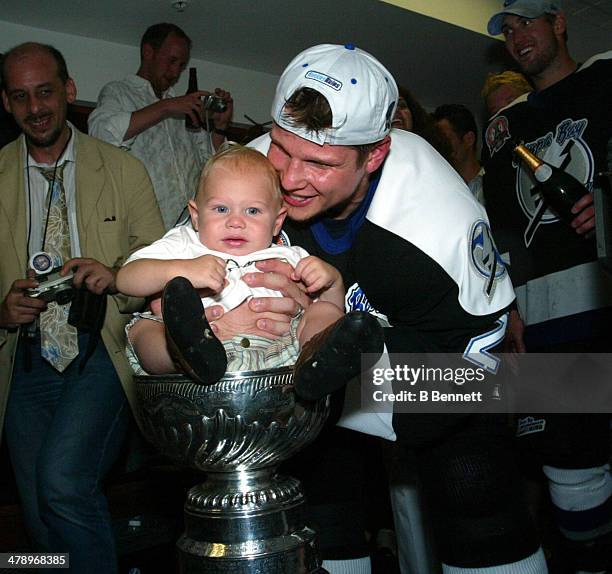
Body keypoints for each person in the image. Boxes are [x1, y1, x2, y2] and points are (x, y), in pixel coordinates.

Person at [232, 43, 546, 573]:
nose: (287, 178)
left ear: (374, 154)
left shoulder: (438, 219)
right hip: (310, 365)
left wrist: (360, 368)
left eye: (319, 163)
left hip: (441, 357)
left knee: (472, 481)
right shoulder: (256, 161)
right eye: (282, 149)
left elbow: (478, 363)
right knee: (318, 506)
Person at [0, 43, 164, 573]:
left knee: (64, 482)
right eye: (21, 96)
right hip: (22, 361)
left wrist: (117, 278)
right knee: (39, 513)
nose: (36, 107)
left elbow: (162, 267)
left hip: (104, 349)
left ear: (69, 91)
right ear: (6, 103)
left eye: (45, 91)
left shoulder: (124, 168)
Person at [483, 1, 612, 571]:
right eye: (508, 30)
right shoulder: (503, 125)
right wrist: (507, 304)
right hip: (546, 307)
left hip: (605, 289)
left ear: (559, 22)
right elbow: (500, 223)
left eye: (527, 22)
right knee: (568, 456)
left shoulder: (606, 76)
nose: (517, 36)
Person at [116, 143, 383, 390]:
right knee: (145, 330)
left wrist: (331, 282)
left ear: (277, 222)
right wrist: (183, 269)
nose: (236, 222)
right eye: (221, 209)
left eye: (252, 211)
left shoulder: (287, 255)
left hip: (279, 354)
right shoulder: (184, 243)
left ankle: (323, 359)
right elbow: (126, 279)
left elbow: (329, 307)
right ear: (196, 216)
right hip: (195, 354)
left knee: (322, 311)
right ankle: (181, 355)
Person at [88, 23, 234, 230]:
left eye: (181, 66)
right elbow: (101, 134)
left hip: (188, 231)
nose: (175, 72)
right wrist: (165, 107)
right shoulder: (119, 92)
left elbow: (211, 167)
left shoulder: (184, 107)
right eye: (171, 61)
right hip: (140, 229)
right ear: (148, 52)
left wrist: (219, 128)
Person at [432, 103, 485, 204]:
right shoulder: (440, 189)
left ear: (469, 140)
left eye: (445, 139)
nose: (441, 145)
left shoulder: (496, 182)